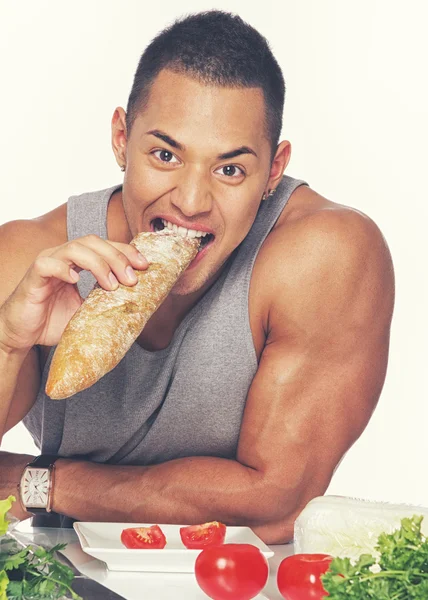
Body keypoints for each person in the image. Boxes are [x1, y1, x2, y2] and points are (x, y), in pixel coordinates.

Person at [0, 10, 394, 544]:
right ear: (121, 138)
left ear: (273, 171)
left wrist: (40, 483)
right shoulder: (31, 255)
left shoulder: (325, 254)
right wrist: (8, 342)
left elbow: (277, 505)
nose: (190, 202)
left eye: (229, 169)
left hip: (237, 581)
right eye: (165, 155)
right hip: (64, 576)